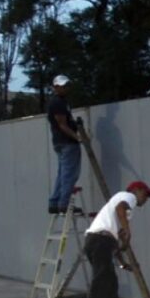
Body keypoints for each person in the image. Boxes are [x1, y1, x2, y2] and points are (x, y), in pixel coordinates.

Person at [73, 181, 150, 298]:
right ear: (137, 190)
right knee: (99, 288)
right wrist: (128, 231)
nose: (146, 199)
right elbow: (120, 211)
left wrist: (122, 264)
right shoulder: (128, 197)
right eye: (145, 194)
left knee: (111, 286)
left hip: (100, 242)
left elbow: (116, 241)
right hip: (99, 241)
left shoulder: (123, 211)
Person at [47, 75, 83, 215]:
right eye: (61, 86)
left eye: (66, 85)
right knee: (70, 174)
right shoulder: (57, 103)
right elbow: (62, 124)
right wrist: (77, 137)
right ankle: (64, 204)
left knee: (63, 173)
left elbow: (65, 123)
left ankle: (55, 203)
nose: (65, 88)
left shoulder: (62, 102)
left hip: (61, 142)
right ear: (55, 87)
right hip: (67, 142)